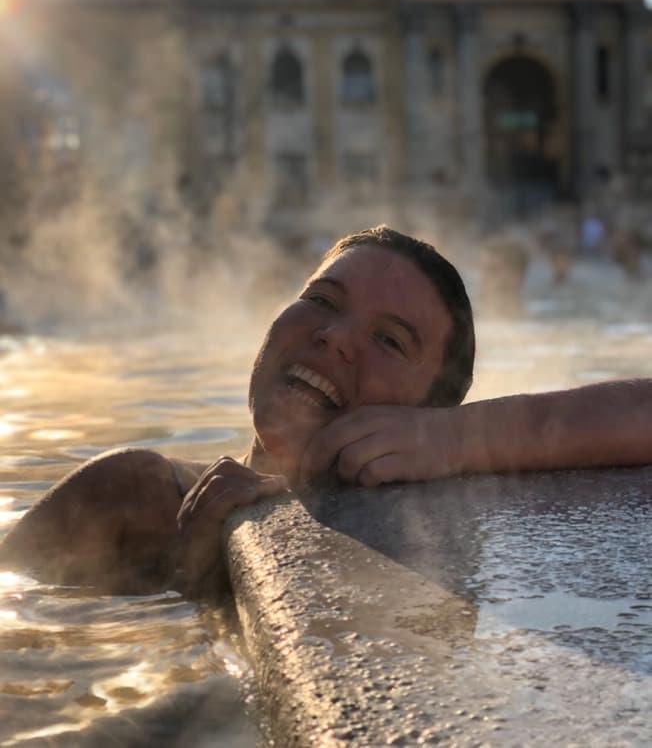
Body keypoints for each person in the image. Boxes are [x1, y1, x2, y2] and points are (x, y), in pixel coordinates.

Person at [0, 226, 650, 596]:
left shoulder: (450, 496)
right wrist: (186, 579)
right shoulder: (137, 495)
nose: (335, 337)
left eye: (390, 339)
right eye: (323, 299)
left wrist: (460, 440)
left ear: (428, 415)